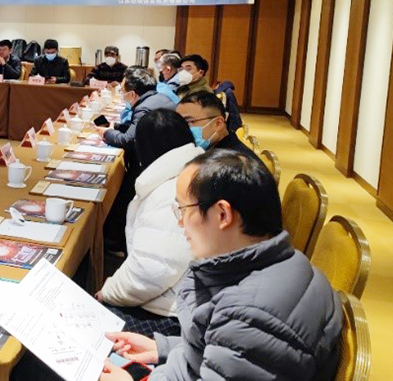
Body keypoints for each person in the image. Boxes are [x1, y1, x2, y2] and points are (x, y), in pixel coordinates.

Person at [101, 150, 341, 381]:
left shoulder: (249, 316)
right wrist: (164, 348)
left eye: (183, 209)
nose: (180, 222)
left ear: (222, 215)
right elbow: (226, 354)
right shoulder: (286, 262)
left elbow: (239, 343)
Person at [96, 110, 202, 338]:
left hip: (174, 315)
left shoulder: (171, 191)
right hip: (180, 299)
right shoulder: (191, 171)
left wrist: (108, 291)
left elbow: (151, 271)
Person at [101, 67, 177, 254]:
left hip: (151, 164)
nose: (122, 95)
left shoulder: (143, 107)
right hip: (165, 157)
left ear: (132, 94)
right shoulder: (159, 98)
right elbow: (138, 129)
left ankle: (113, 242)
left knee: (122, 193)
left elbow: (128, 141)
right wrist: (117, 126)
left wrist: (106, 133)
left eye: (123, 91)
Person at [176, 91, 258, 160]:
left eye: (189, 122)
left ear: (218, 123)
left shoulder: (234, 162)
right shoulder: (208, 152)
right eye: (179, 122)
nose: (182, 128)